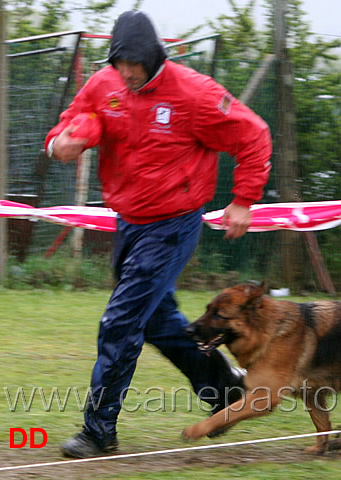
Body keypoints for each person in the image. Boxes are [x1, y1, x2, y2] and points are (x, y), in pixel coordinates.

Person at [45, 10, 272, 458]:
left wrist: (243, 200)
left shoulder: (195, 93)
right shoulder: (104, 82)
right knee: (156, 322)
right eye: (120, 64)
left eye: (135, 66)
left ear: (155, 58)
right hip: (128, 221)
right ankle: (225, 391)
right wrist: (62, 142)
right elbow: (71, 120)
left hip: (172, 225)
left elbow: (254, 135)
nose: (127, 74)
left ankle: (99, 431)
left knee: (120, 323)